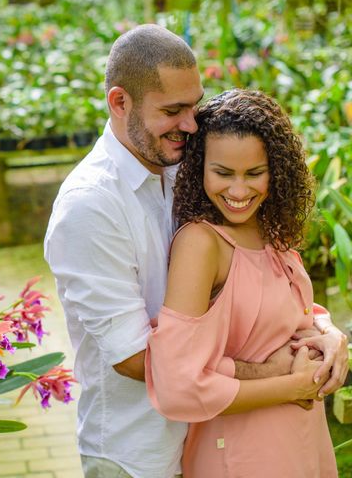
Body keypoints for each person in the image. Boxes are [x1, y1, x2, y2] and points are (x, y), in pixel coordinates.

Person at [44, 24, 348, 478]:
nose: (190, 125)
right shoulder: (90, 206)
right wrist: (276, 374)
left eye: (194, 105)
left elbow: (255, 286)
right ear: (119, 102)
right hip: (140, 453)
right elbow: (134, 357)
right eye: (172, 110)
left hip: (215, 437)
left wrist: (325, 332)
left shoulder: (190, 166)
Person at [145, 89, 339, 477]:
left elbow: (284, 312)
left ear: (277, 171)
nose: (238, 191)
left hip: (302, 440)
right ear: (199, 168)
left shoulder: (271, 231)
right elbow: (177, 385)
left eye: (254, 173)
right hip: (241, 454)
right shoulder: (202, 244)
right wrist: (293, 386)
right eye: (222, 173)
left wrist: (330, 333)